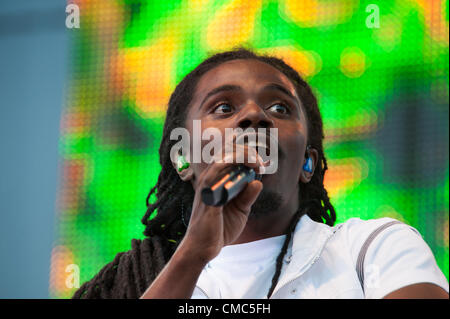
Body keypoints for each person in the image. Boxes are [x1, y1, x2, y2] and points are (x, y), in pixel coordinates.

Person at [72, 48, 449, 299]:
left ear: (307, 164)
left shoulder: (373, 248)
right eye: (222, 107)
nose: (255, 116)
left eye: (280, 108)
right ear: (183, 159)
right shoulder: (139, 277)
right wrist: (193, 254)